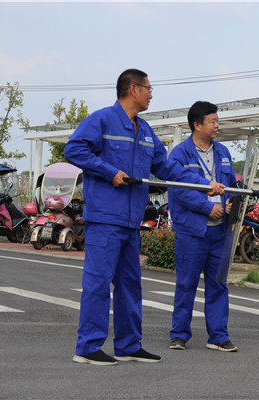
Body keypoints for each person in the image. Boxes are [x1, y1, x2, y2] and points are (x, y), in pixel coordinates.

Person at [64, 69, 224, 366]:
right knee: (98, 283)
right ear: (133, 89)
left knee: (130, 285)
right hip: (105, 218)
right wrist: (110, 172)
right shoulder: (102, 120)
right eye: (149, 89)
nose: (151, 94)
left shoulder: (146, 131)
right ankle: (87, 347)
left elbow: (168, 169)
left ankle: (128, 345)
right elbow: (73, 149)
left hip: (131, 222)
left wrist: (205, 185)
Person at [168, 101, 238, 352]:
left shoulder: (223, 152)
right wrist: (206, 207)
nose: (217, 126)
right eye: (213, 121)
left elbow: (231, 185)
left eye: (218, 121)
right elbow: (179, 189)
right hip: (192, 231)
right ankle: (179, 335)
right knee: (186, 283)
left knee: (218, 284)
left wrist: (231, 202)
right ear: (197, 125)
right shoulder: (179, 154)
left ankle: (218, 336)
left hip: (220, 231)